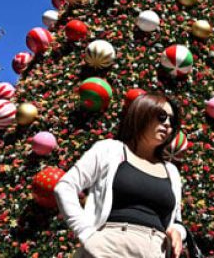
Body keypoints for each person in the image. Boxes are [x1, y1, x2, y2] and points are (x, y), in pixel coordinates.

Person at [54, 92, 186, 258]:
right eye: (161, 116)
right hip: (109, 246)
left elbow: (176, 220)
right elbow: (65, 187)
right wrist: (86, 233)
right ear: (142, 113)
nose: (167, 124)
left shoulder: (171, 171)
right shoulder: (109, 150)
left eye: (172, 121)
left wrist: (178, 231)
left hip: (155, 250)